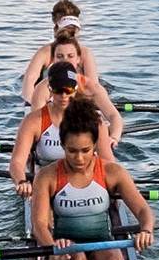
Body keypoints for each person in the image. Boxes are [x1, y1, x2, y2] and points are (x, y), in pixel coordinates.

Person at [30, 96, 155, 260]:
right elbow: (38, 225)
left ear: (96, 144)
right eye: (71, 151)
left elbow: (142, 209)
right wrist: (54, 246)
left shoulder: (112, 172)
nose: (79, 158)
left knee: (114, 257)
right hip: (61, 253)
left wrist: (146, 229)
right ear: (62, 144)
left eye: (86, 150)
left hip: (100, 250)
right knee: (75, 258)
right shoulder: (46, 176)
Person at [18, 0, 123, 146]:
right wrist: (37, 102)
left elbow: (100, 97)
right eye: (60, 57)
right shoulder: (44, 59)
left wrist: (114, 137)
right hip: (47, 102)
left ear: (78, 59)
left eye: (74, 29)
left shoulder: (86, 57)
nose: (72, 33)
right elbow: (29, 82)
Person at [8, 61, 116, 195]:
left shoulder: (93, 120)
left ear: (76, 89)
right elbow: (17, 161)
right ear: (49, 89)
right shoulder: (34, 121)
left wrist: (115, 184)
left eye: (68, 90)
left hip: (84, 177)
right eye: (58, 90)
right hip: (47, 180)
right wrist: (21, 181)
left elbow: (109, 161)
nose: (63, 96)